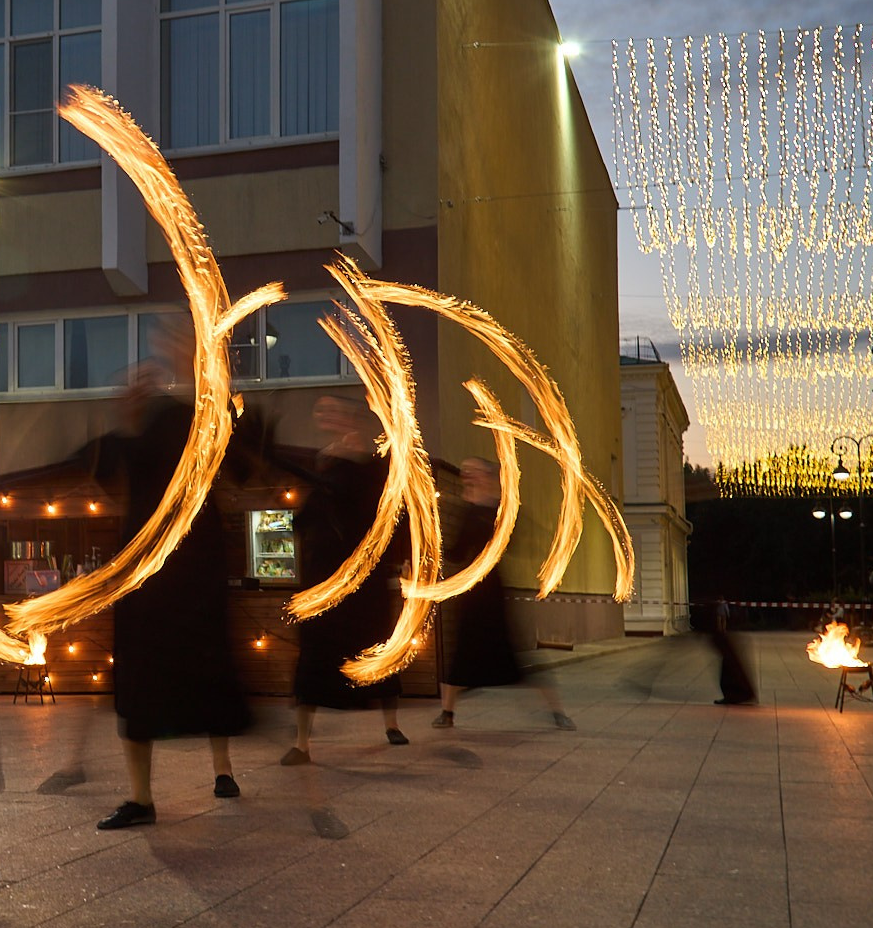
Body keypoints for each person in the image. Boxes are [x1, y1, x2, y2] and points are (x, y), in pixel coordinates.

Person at [92, 327, 253, 830]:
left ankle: (223, 770)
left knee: (209, 666)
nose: (179, 347)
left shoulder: (210, 413)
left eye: (190, 343)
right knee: (138, 677)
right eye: (175, 341)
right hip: (145, 567)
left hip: (196, 563)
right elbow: (108, 474)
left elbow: (243, 468)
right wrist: (124, 420)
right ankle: (140, 798)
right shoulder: (149, 416)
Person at [278, 396, 408, 766]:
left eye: (333, 410)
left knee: (376, 649)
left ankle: (392, 724)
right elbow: (308, 518)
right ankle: (302, 744)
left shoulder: (371, 464)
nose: (326, 416)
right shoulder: (325, 463)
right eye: (321, 410)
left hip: (363, 577)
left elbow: (384, 511)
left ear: (352, 417)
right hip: (324, 577)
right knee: (315, 656)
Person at [431, 457, 576, 731]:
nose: (467, 475)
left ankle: (558, 712)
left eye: (473, 471)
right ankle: (447, 713)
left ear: (489, 476)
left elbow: (513, 543)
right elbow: (459, 552)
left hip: (491, 592)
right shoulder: (469, 509)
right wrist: (436, 546)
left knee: (515, 659)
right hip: (472, 591)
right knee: (461, 656)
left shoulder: (501, 509)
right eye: (466, 471)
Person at [707, 596, 756, 705]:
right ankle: (738, 692)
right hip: (720, 631)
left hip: (720, 632)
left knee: (729, 659)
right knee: (728, 658)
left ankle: (738, 693)